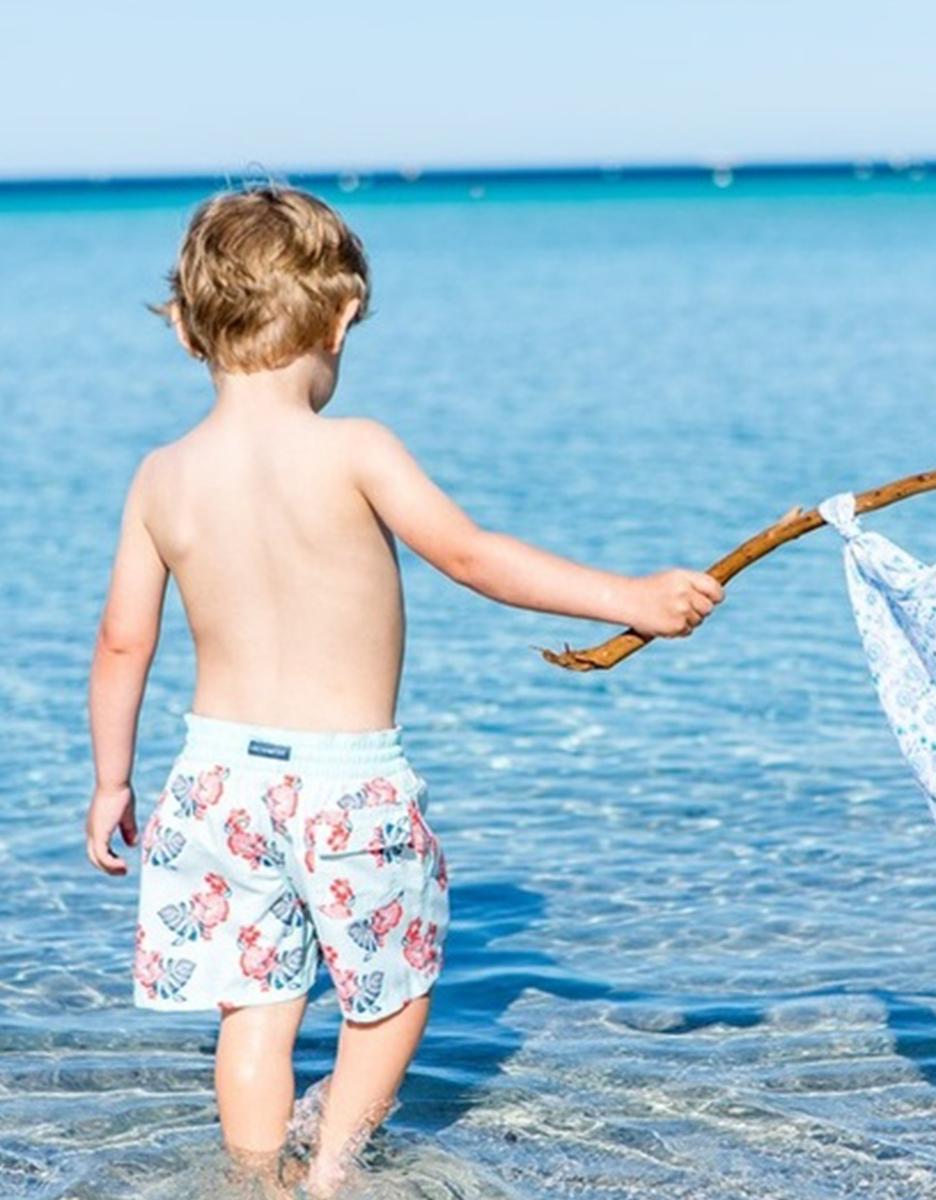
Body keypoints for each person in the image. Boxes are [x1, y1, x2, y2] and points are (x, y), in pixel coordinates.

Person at [84, 185, 724, 1197]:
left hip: (215, 785)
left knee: (254, 1009)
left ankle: (256, 1181)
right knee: (392, 989)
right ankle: (335, 1167)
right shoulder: (356, 450)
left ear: (184, 328)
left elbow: (125, 643)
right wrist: (628, 598)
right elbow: (471, 556)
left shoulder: (163, 475)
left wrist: (111, 782)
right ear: (339, 317)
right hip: (348, 787)